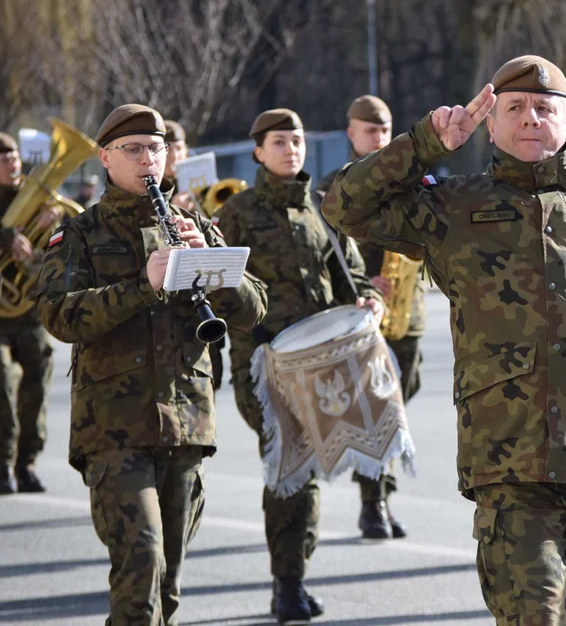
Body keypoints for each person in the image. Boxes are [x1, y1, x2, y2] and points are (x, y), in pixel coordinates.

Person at [322, 55, 566, 624]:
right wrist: (424, 143)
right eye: (514, 109)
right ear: (491, 125)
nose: (530, 118)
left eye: (545, 108)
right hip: (509, 463)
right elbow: (343, 205)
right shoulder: (454, 205)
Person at [32, 104, 268, 624]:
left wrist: (211, 262)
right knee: (140, 570)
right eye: (133, 150)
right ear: (105, 159)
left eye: (155, 149)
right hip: (113, 432)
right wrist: (142, 286)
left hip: (184, 423)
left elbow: (254, 308)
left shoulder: (195, 224)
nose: (147, 160)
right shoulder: (79, 233)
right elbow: (58, 314)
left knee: (169, 586)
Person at [214, 107, 383, 624]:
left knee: (306, 469)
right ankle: (287, 583)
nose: (292, 149)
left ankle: (294, 579)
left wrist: (368, 302)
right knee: (291, 466)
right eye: (280, 142)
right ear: (258, 152)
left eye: (298, 141)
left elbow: (350, 273)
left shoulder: (319, 208)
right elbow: (221, 290)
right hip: (265, 364)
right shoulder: (237, 214)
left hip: (321, 363)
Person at [317, 95, 423, 539]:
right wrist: (361, 284)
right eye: (370, 131)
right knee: (374, 409)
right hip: (362, 311)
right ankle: (373, 502)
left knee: (399, 402)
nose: (379, 139)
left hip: (406, 310)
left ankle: (381, 496)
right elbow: (327, 251)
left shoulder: (411, 180)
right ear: (352, 134)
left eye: (385, 131)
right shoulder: (333, 185)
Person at [0, 132, 57, 494]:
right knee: (2, 379)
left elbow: (56, 252)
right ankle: (3, 462)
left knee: (40, 375)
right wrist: (5, 238)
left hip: (28, 309)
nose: (13, 162)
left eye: (14, 156)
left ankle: (27, 464)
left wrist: (53, 226)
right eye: (4, 158)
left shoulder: (33, 196)